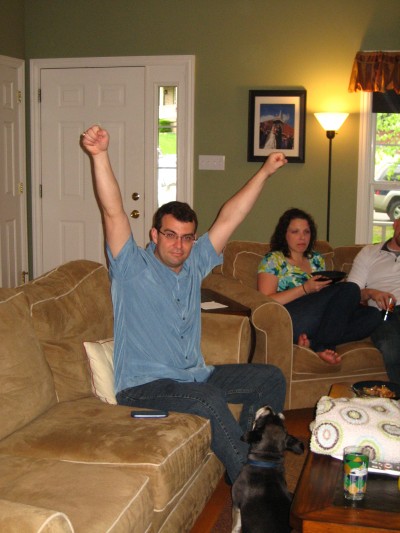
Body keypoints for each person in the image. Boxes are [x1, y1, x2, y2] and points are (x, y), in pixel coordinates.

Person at [81, 124, 287, 484]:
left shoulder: (194, 262)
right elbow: (113, 211)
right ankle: (257, 491)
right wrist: (100, 155)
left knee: (269, 378)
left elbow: (231, 216)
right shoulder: (131, 267)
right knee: (207, 398)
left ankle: (249, 457)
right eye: (170, 235)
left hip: (195, 377)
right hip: (145, 384)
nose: (179, 245)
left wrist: (265, 172)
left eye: (187, 238)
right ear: (154, 234)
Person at [257, 208, 381, 365]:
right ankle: (323, 346)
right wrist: (304, 289)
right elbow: (266, 301)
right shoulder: (273, 259)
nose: (302, 237)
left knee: (373, 315)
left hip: (320, 320)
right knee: (351, 288)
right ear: (284, 234)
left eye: (306, 232)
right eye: (295, 231)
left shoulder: (316, 259)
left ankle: (313, 342)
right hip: (290, 318)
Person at [347, 218, 400, 384]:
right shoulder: (369, 253)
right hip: (382, 313)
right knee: (390, 346)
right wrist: (372, 293)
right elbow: (350, 294)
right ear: (396, 224)